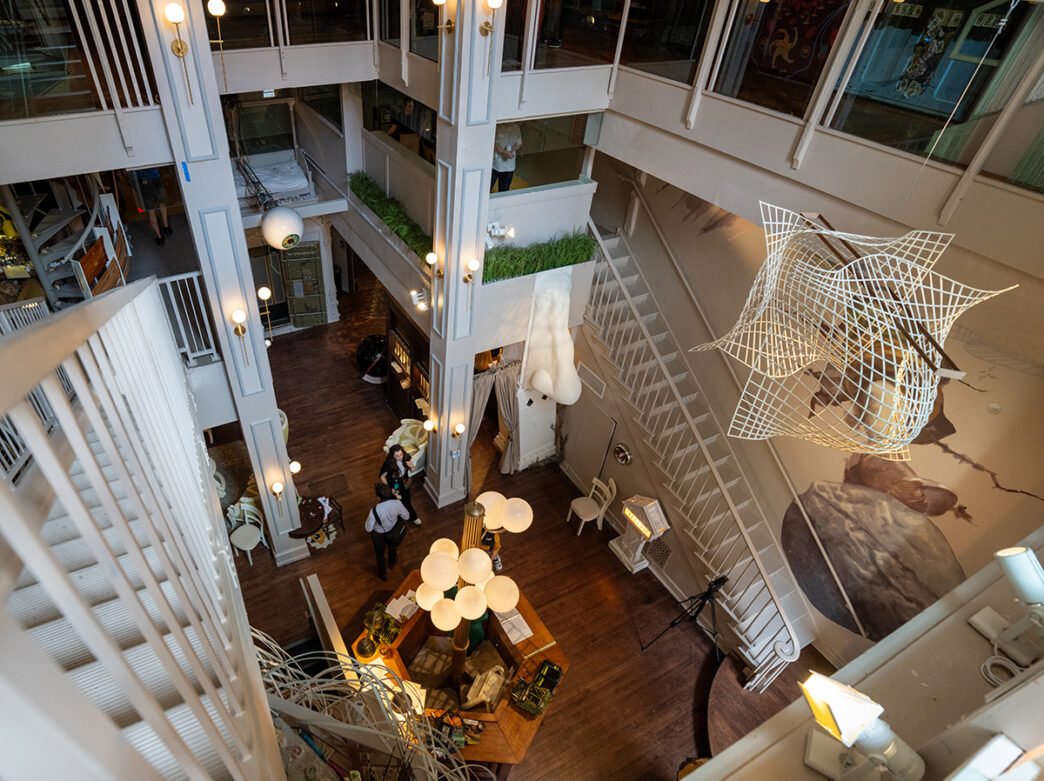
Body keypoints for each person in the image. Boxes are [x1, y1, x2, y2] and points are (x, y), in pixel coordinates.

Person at [365, 483, 409, 580]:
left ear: (378, 497)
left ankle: (383, 573)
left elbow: (368, 529)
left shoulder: (373, 511)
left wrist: (366, 522)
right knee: (392, 547)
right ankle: (391, 563)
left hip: (378, 535)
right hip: (393, 531)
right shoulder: (397, 503)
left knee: (380, 554)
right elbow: (407, 516)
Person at [379, 444, 421, 525]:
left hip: (405, 482)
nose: (400, 457)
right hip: (394, 485)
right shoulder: (388, 463)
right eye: (397, 456)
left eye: (401, 454)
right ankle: (397, 518)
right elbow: (382, 477)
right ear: (393, 456)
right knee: (396, 500)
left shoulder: (405, 457)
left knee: (407, 501)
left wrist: (411, 466)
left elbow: (413, 470)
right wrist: (390, 488)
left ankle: (414, 517)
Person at [133, 167, 172, 246]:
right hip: (155, 177)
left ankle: (159, 237)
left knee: (151, 211)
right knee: (162, 203)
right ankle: (166, 227)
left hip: (142, 181)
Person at [491, 123, 523, 193]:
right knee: (487, 187)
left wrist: (510, 151)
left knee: (504, 190)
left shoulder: (516, 127)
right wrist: (505, 152)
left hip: (509, 165)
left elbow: (519, 143)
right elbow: (495, 143)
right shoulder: (497, 127)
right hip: (495, 164)